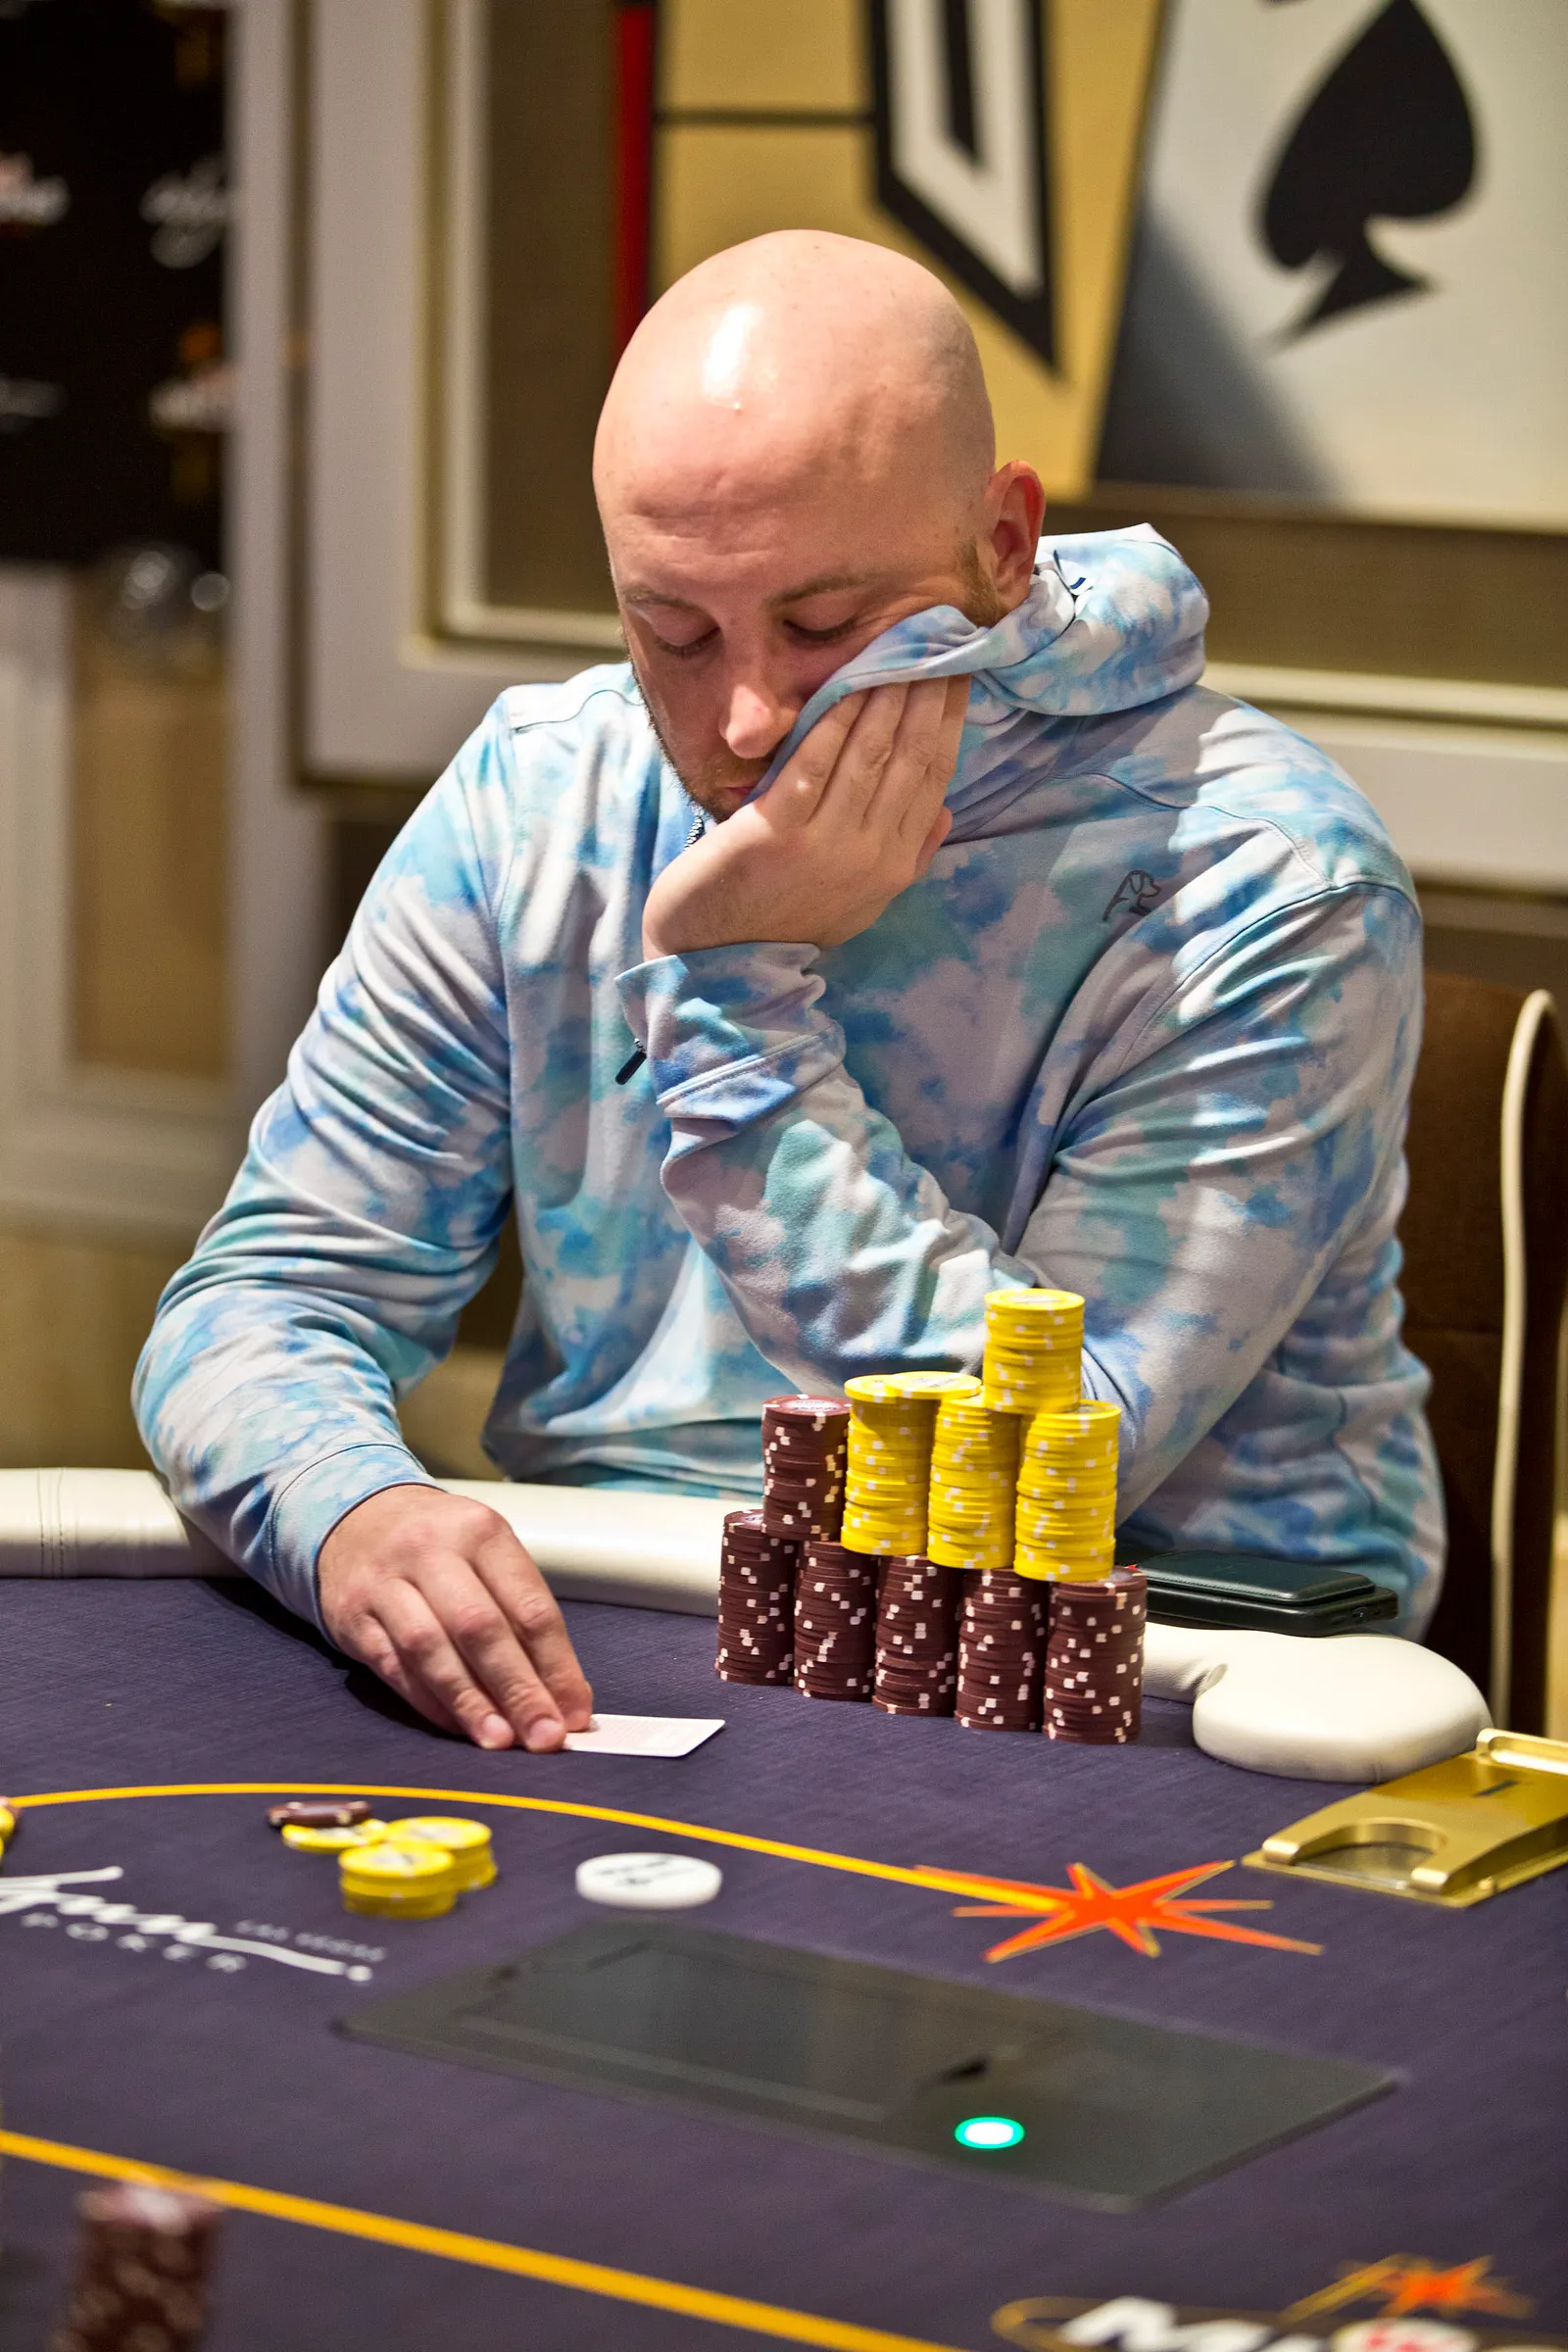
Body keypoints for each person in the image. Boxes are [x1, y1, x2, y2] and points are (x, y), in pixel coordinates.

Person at [135, 230, 1442, 1753]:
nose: (748, 716)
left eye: (824, 626)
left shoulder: (1270, 880)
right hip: (631, 1623)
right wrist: (348, 1504)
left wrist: (733, 987)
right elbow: (267, 1298)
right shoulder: (541, 793)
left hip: (1164, 1677)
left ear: (1004, 541)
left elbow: (1025, 1476)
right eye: (672, 631)